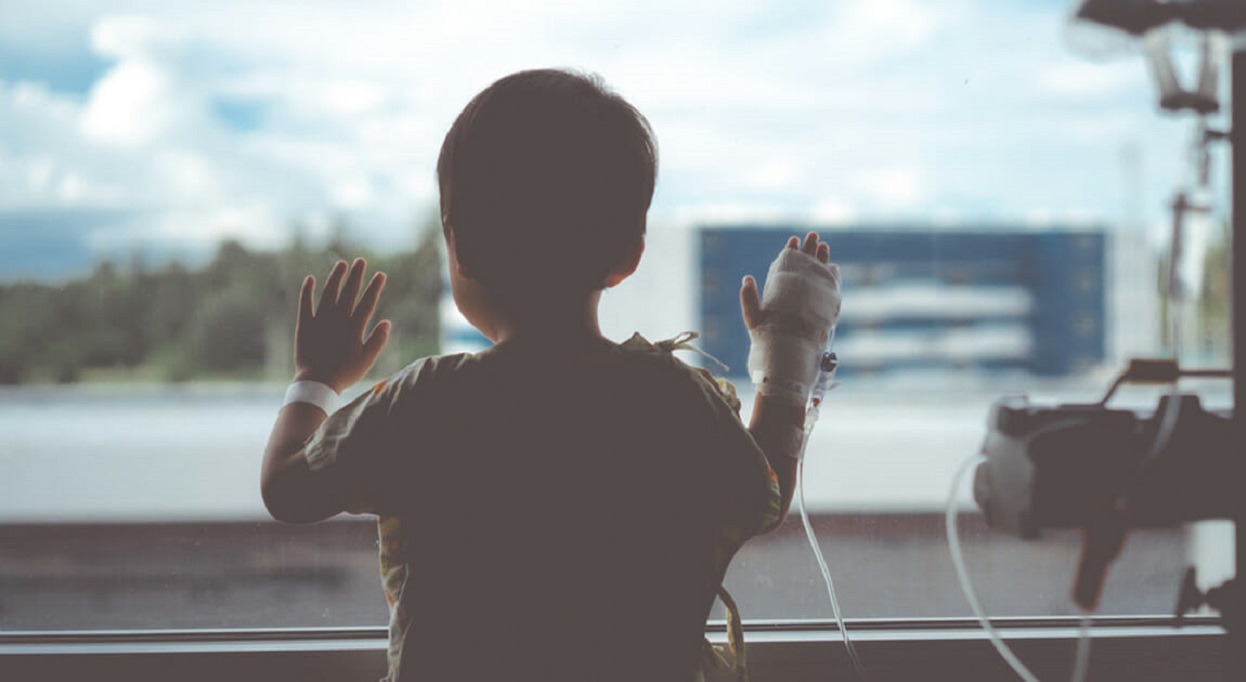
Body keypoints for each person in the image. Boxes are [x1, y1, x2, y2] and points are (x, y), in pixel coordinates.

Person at [260, 68, 840, 682]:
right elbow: (763, 489)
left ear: (460, 246)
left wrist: (316, 378)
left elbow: (287, 489)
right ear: (630, 253)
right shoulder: (673, 401)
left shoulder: (425, 404)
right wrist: (787, 353)